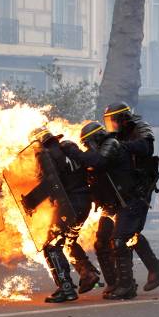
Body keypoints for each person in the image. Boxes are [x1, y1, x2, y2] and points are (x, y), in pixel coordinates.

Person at [62, 121, 143, 300]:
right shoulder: (97, 151)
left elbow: (98, 162)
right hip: (111, 206)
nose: (87, 147)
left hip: (126, 202)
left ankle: (127, 286)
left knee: (119, 241)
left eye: (88, 142)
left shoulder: (111, 144)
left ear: (97, 137)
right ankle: (114, 283)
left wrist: (73, 151)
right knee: (101, 244)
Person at [103, 103, 159, 291]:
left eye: (114, 120)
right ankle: (156, 269)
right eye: (109, 121)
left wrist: (122, 146)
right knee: (128, 233)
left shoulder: (141, 127)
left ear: (124, 119)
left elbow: (145, 147)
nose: (112, 124)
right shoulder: (115, 136)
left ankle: (128, 283)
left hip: (139, 190)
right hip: (123, 191)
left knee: (122, 236)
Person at [30, 127, 97, 303]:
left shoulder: (46, 156)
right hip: (84, 202)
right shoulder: (69, 149)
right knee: (68, 240)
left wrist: (30, 203)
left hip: (69, 205)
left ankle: (66, 288)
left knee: (51, 245)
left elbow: (50, 183)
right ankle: (88, 273)